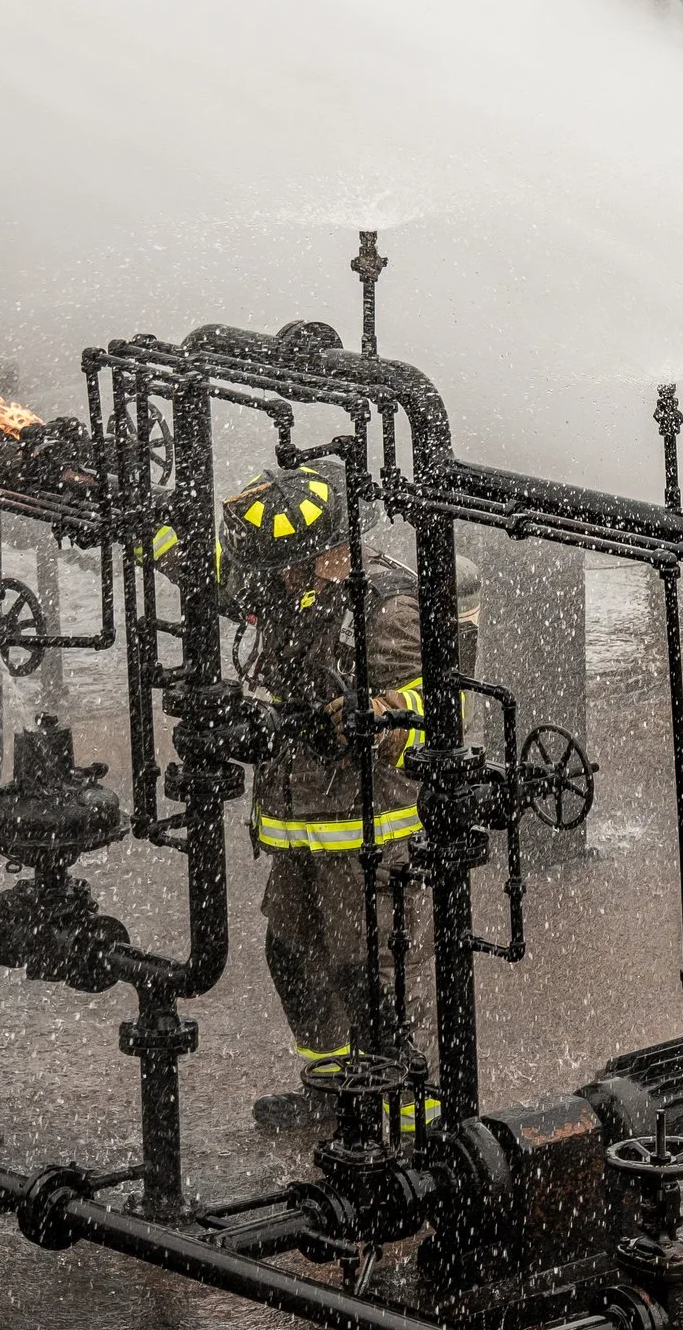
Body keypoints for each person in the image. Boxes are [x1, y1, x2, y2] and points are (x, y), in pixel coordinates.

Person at [226, 460, 474, 1133]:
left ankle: (408, 1119)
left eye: (296, 565)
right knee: (294, 955)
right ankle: (334, 1090)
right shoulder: (286, 582)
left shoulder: (395, 607)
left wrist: (384, 714)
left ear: (334, 549)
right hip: (296, 825)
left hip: (368, 829)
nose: (282, 579)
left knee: (372, 972)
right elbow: (201, 565)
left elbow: (451, 711)